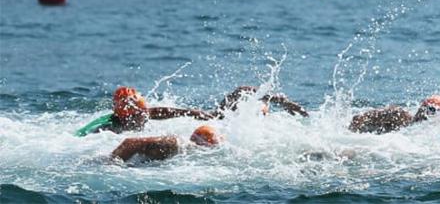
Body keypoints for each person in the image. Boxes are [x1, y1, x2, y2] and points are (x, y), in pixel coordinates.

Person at [79, 85, 307, 136]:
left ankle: (281, 102)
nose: (144, 119)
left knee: (242, 92)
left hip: (215, 122)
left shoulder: (139, 114)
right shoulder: (107, 130)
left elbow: (176, 111)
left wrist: (202, 115)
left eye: (144, 113)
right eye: (139, 116)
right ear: (124, 117)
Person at [110, 124, 222, 163]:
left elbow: (130, 143)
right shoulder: (179, 145)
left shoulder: (181, 146)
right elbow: (130, 143)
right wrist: (110, 163)